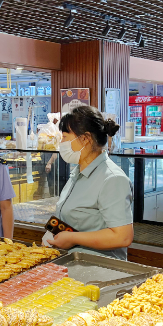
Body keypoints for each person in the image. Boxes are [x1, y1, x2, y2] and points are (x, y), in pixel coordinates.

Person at [45, 106, 134, 260]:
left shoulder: (112, 179)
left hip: (99, 269)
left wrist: (71, 238)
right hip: (72, 264)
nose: (62, 143)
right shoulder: (78, 173)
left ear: (85, 139)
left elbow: (122, 237)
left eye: (65, 138)